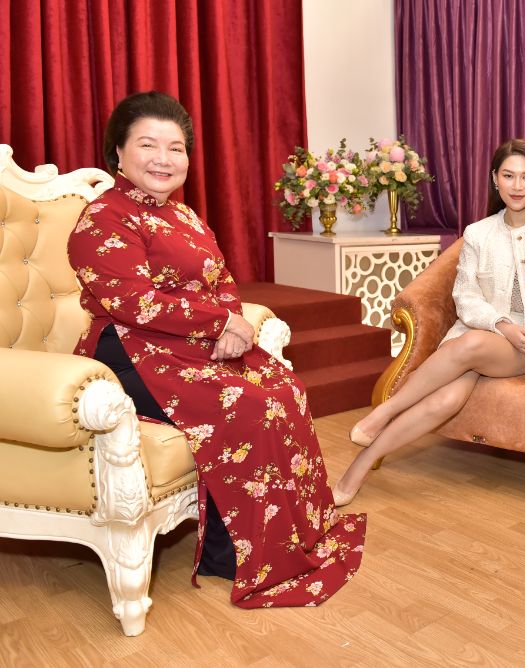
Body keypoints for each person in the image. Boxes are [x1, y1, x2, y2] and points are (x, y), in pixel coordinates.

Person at [68, 91, 365, 608]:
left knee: (285, 388)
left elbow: (221, 277)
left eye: (176, 148)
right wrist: (220, 322)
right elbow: (134, 303)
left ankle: (291, 537)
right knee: (251, 404)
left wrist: (232, 323)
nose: (163, 159)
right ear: (118, 151)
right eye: (148, 145)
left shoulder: (183, 215)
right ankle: (235, 554)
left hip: (190, 340)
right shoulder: (103, 217)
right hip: (130, 350)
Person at [332, 139, 525, 505]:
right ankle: (359, 467)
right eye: (509, 176)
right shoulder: (478, 233)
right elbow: (465, 297)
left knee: (471, 344)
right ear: (495, 179)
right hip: (487, 334)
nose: (517, 186)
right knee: (446, 399)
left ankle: (384, 411)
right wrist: (502, 324)